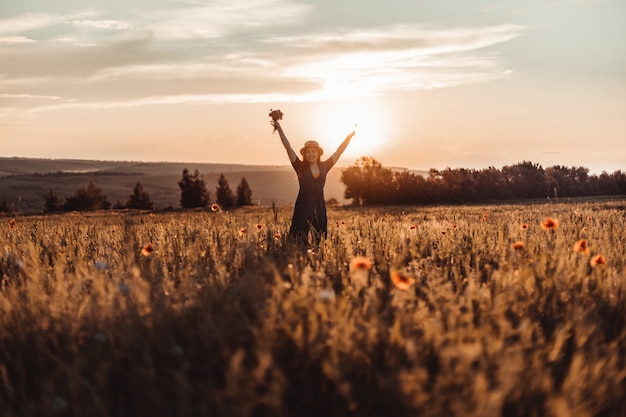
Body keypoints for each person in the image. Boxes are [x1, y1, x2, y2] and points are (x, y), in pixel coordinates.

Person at [271, 119, 356, 243]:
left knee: (319, 238)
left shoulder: (325, 166)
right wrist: (279, 128)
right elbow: (288, 147)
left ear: (318, 153)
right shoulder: (299, 166)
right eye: (308, 152)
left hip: (319, 205)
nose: (311, 154)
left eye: (313, 151)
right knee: (298, 236)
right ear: (304, 154)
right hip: (303, 205)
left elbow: (339, 151)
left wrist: (349, 137)